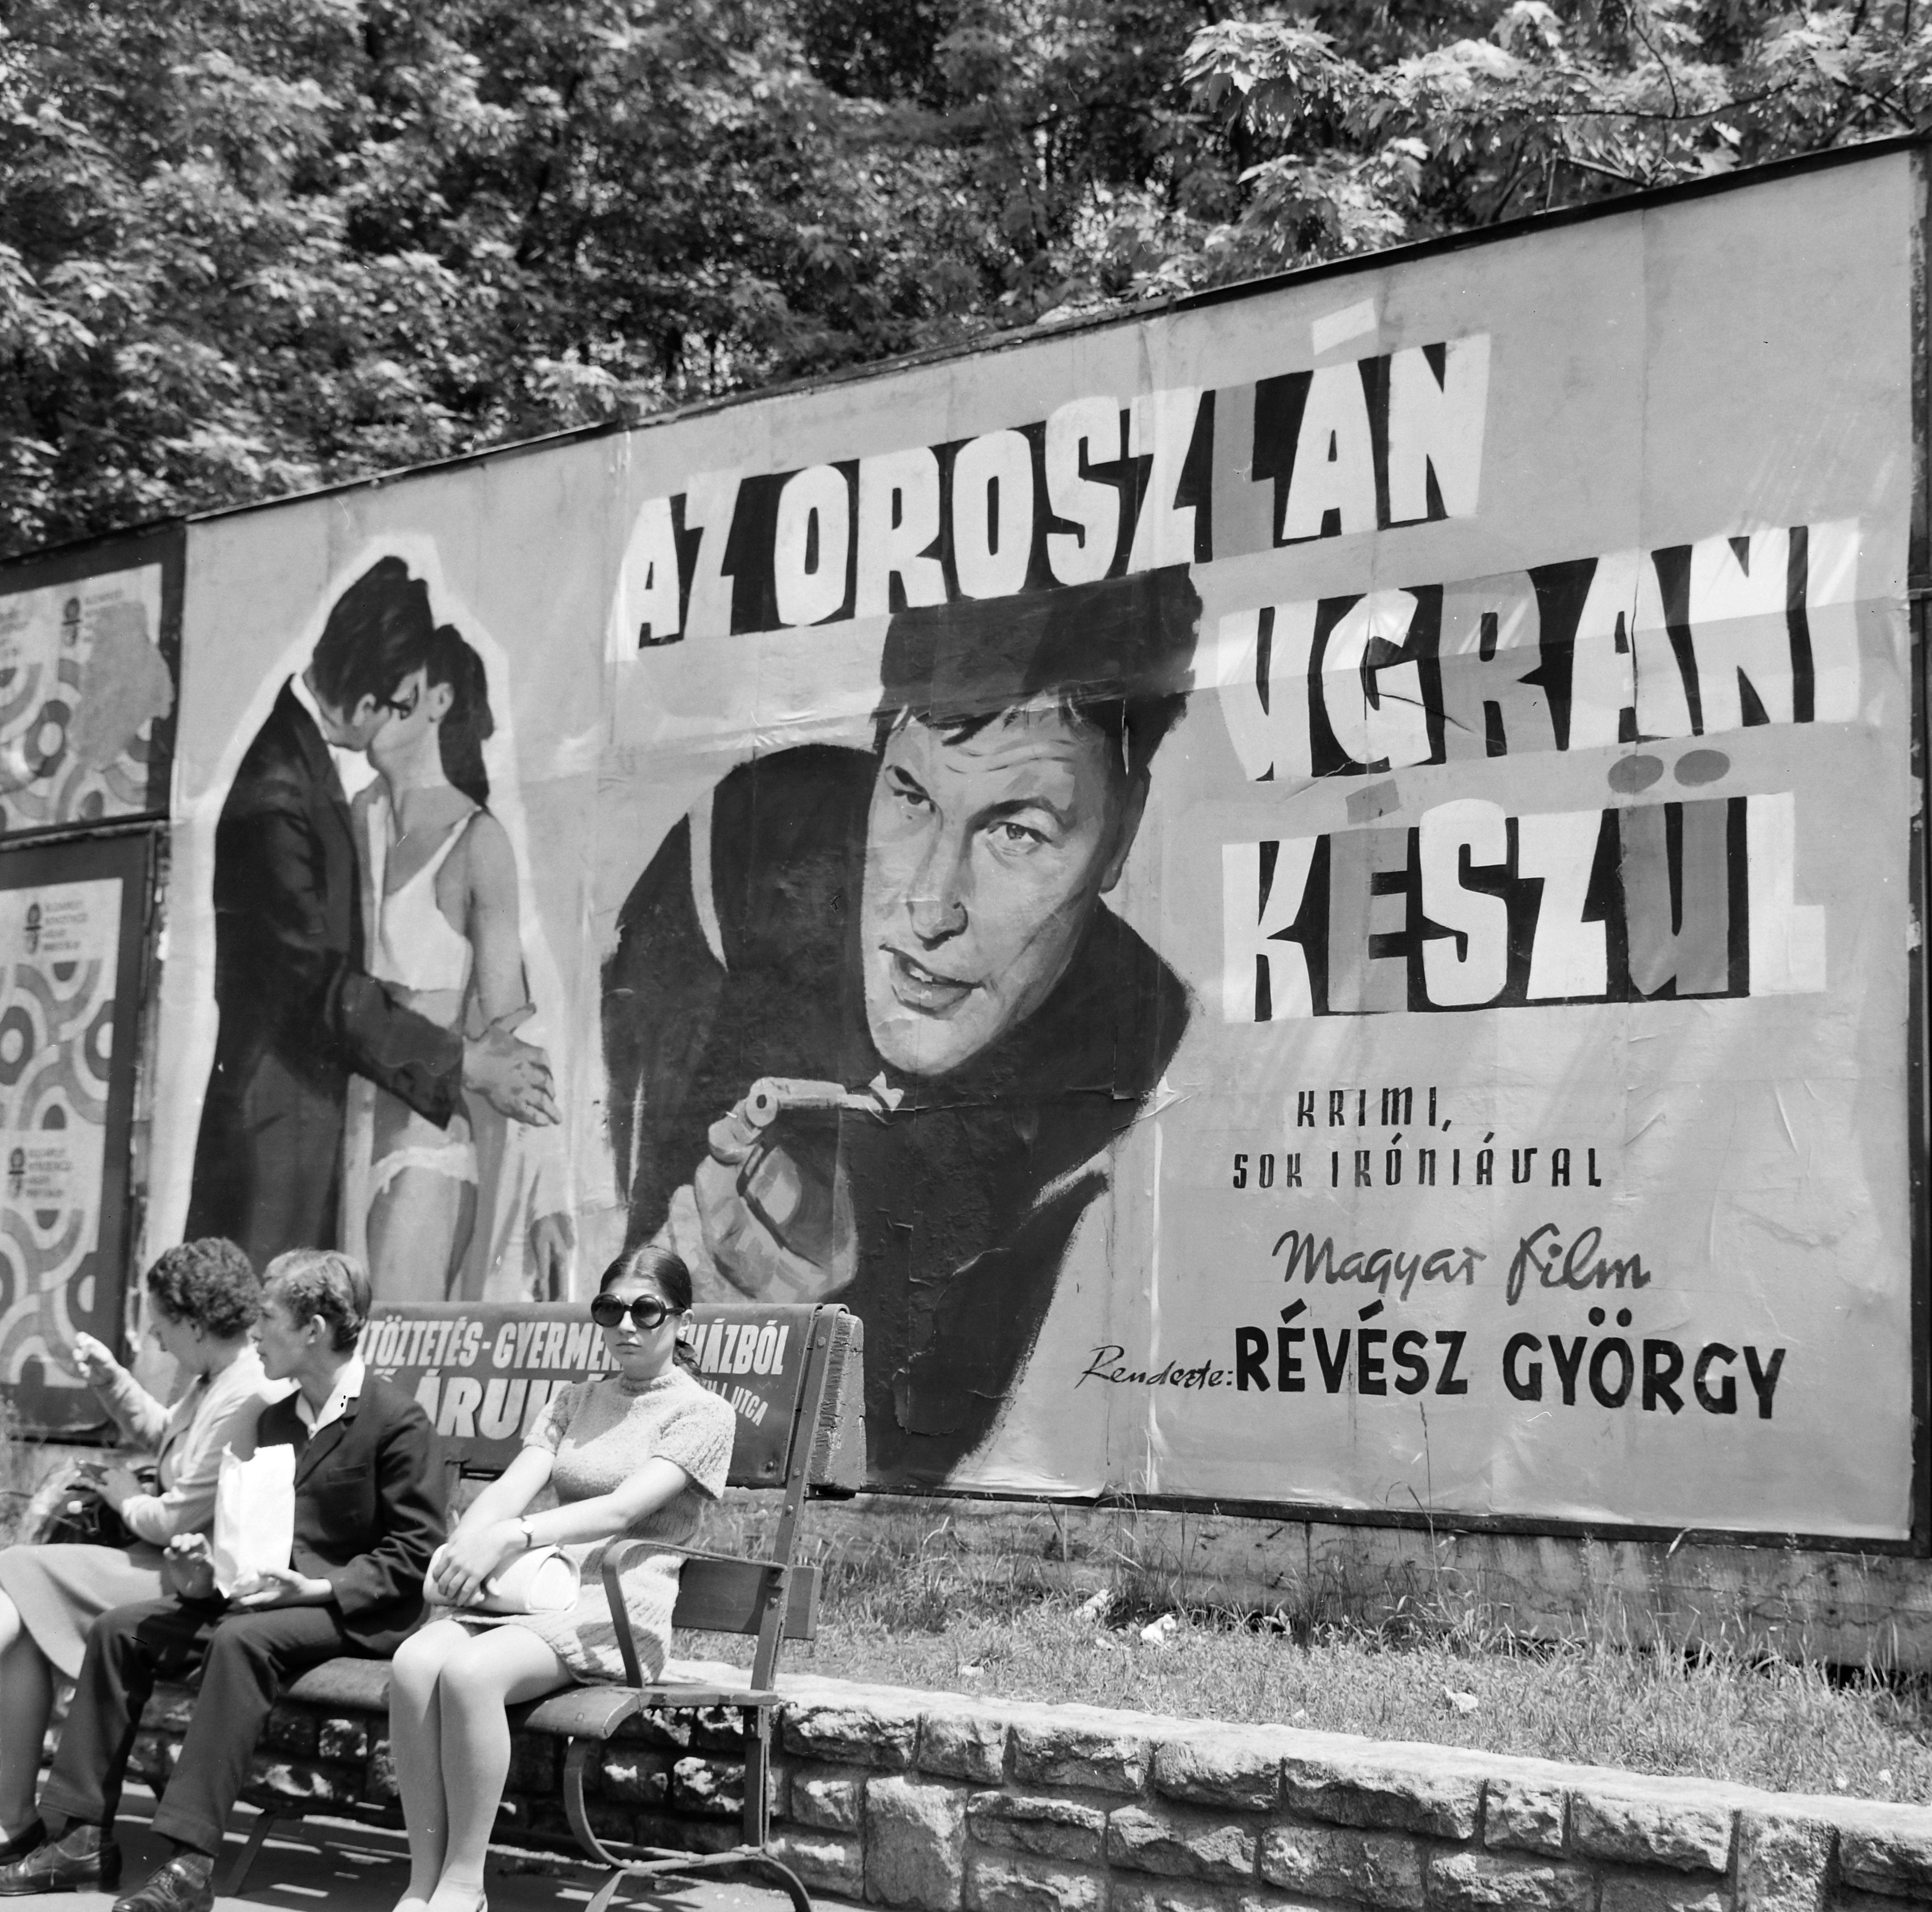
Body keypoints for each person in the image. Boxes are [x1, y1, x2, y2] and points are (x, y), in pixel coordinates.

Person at [601, 567, 1198, 1485]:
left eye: (1019, 831)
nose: (931, 904)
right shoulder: (744, 855)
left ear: (1119, 836)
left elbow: (933, 1454)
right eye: (911, 795)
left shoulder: (1145, 1058)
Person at [0, 1252, 445, 1912]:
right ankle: (79, 1838)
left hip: (357, 1612)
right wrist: (205, 1570)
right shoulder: (277, 1420)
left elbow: (415, 1554)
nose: (255, 1333)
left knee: (241, 1640)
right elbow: (253, 1540)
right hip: (267, 1600)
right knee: (122, 1630)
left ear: (314, 1330)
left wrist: (317, 1586)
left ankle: (189, 1866)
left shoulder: (395, 1420)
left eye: (268, 1318)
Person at [362, 1244, 734, 1912]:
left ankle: (464, 1887)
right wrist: (464, 1551)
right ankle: (420, 1884)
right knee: (415, 1661)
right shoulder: (575, 1399)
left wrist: (516, 1535)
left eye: (646, 1311)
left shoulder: (703, 1414)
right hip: (542, 1589)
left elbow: (623, 1510)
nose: (626, 1326)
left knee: (471, 1673)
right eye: (610, 1310)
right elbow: (508, 1490)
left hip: (619, 1607)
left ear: (682, 1320)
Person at [185, 557, 558, 1271]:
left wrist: (546, 1192)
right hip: (286, 1146)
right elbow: (312, 984)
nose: (406, 711)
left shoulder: (325, 780)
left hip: (395, 1150)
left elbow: (518, 1023)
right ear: (363, 706)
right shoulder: (283, 792)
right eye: (399, 700)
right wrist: (459, 1061)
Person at [0, 1238, 280, 1861]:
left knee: (14, 1568)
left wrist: (126, 1497)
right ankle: (12, 1818)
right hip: (161, 1563)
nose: (155, 1339)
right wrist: (112, 1382)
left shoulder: (245, 1394)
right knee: (20, 1617)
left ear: (195, 1323)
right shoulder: (213, 1380)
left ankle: (15, 1819)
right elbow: (168, 1440)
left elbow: (177, 1516)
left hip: (188, 1575)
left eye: (161, 1325)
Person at [341, 621, 571, 1299]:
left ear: (437, 700)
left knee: (387, 1355)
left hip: (424, 1155)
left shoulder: (478, 843)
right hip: (344, 1156)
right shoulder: (358, 818)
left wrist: (548, 1197)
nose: (375, 701)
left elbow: (515, 1038)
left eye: (396, 686)